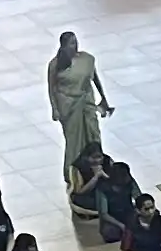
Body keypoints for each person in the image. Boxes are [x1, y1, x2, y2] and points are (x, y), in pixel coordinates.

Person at [46, 30, 112, 184]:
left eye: (75, 42)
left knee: (93, 135)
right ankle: (73, 171)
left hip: (86, 102)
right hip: (68, 106)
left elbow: (94, 78)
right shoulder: (55, 65)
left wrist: (104, 98)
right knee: (74, 140)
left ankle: (97, 166)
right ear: (63, 46)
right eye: (71, 43)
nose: (75, 46)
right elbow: (52, 88)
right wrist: (55, 108)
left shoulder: (86, 59)